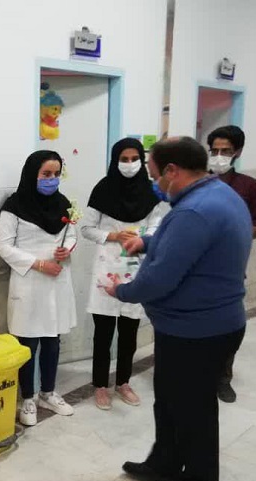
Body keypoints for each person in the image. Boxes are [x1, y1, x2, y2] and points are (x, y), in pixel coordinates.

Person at [104, 137, 252, 481]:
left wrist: (121, 291)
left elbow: (160, 280)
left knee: (193, 411)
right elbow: (185, 243)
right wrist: (147, 242)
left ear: (173, 171)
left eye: (155, 175)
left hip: (199, 331)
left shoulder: (194, 211)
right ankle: (165, 463)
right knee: (170, 400)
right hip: (196, 326)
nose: (155, 183)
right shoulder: (216, 195)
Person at [81, 138, 165, 411]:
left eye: (134, 159)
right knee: (103, 333)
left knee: (129, 332)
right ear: (115, 160)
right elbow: (87, 229)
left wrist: (142, 238)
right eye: (123, 159)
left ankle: (123, 382)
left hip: (135, 265)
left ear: (142, 160)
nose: (129, 164)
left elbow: (156, 226)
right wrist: (113, 235)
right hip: (107, 266)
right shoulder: (103, 189)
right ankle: (100, 385)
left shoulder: (152, 191)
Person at [0, 150, 77, 426]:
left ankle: (48, 393)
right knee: (28, 342)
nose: (51, 179)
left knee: (52, 340)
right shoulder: (13, 206)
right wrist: (39, 264)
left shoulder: (64, 204)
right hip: (30, 281)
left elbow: (71, 234)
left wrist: (67, 249)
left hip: (57, 282)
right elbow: (4, 247)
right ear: (33, 174)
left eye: (56, 174)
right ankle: (28, 398)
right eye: (46, 174)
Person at [207, 125, 256, 403]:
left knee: (227, 326)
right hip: (195, 268)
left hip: (229, 269)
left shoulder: (248, 186)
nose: (219, 156)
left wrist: (234, 236)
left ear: (237, 152)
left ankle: (223, 378)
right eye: (215, 150)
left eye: (226, 151)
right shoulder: (198, 182)